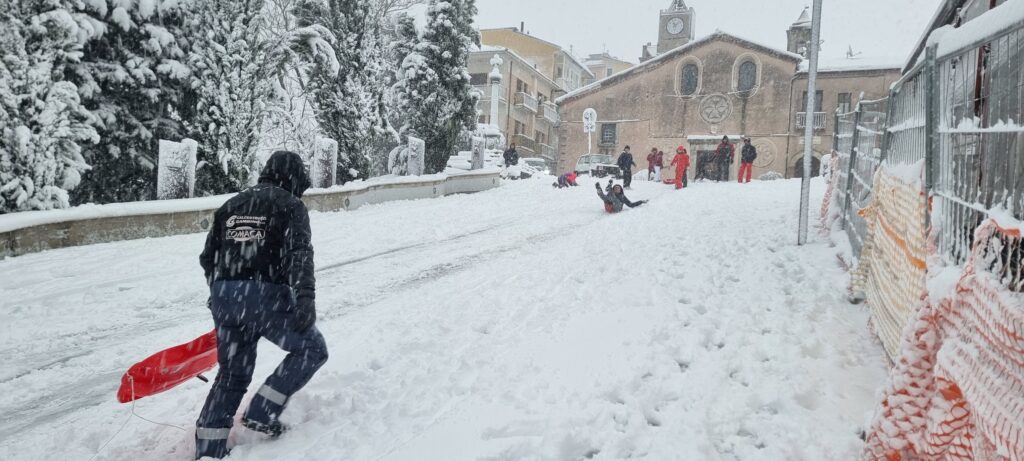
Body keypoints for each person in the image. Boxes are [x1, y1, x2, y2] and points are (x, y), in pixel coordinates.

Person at [195, 151, 328, 459]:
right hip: (265, 295)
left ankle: (208, 450)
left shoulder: (232, 205)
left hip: (226, 298)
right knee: (312, 349)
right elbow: (300, 254)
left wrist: (221, 288)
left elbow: (207, 257)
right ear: (294, 178)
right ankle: (262, 412)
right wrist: (305, 298)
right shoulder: (290, 205)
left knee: (232, 375)